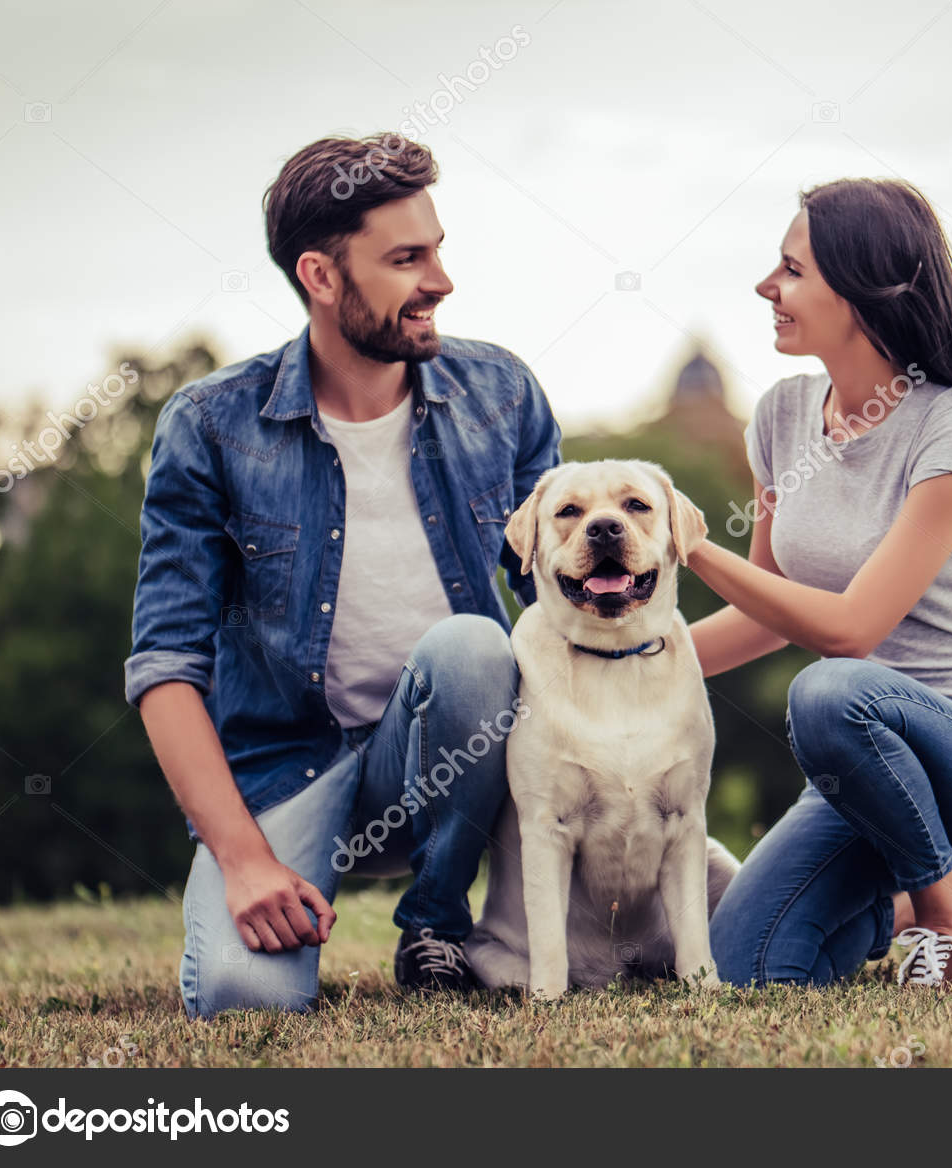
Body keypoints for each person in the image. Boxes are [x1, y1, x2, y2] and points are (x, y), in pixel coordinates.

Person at [124, 134, 561, 1018]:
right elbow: (165, 667)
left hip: (464, 764)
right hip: (285, 770)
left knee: (476, 647)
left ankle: (435, 926)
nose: (440, 280)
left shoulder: (501, 393)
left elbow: (573, 607)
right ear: (321, 277)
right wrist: (244, 862)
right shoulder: (211, 426)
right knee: (245, 1002)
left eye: (437, 249)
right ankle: (258, 887)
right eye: (407, 259)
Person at [684, 178, 952, 989]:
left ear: (862, 292)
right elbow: (764, 610)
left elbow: (851, 630)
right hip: (868, 776)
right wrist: (618, 659)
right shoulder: (783, 417)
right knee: (748, 966)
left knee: (828, 690)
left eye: (791, 271)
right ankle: (892, 908)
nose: (767, 287)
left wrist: (690, 548)